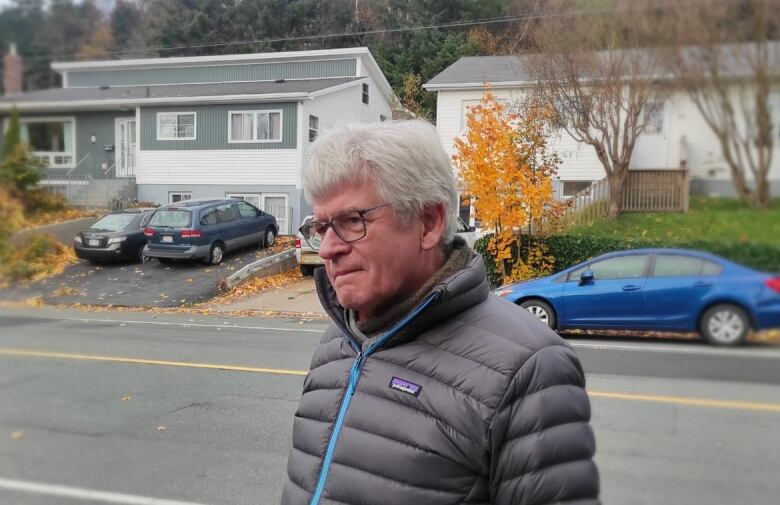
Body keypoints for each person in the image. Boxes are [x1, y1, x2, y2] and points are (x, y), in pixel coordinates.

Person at [281, 120, 599, 505]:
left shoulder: (530, 368)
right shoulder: (339, 340)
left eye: (352, 221)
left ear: (429, 223)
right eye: (321, 226)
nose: (328, 248)